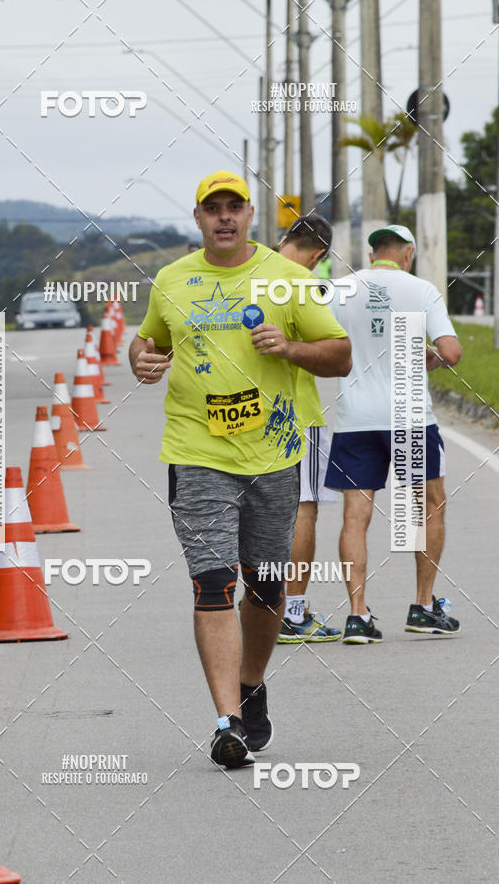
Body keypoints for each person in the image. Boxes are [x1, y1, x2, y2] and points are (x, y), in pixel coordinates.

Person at [129, 170, 351, 768]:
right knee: (212, 583)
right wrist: (140, 359)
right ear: (198, 218)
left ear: (251, 215)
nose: (224, 216)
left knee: (266, 585)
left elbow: (341, 357)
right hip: (196, 451)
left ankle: (251, 684)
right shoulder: (172, 280)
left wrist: (291, 348)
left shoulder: (290, 280)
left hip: (273, 454)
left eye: (234, 207)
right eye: (213, 208)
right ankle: (226, 721)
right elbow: (147, 343)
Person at [324, 225, 462, 644]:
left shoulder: (341, 289)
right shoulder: (421, 290)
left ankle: (357, 615)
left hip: (356, 418)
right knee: (428, 507)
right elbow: (451, 352)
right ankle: (422, 607)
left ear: (371, 256)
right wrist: (429, 357)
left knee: (355, 516)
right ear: (409, 253)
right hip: (410, 417)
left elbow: (313, 338)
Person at [276, 215, 342, 643]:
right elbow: (332, 354)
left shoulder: (250, 271)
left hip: (247, 418)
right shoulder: (304, 286)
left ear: (285, 238)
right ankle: (293, 611)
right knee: (303, 509)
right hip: (298, 415)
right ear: (319, 255)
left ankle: (260, 604)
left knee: (257, 516)